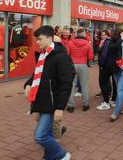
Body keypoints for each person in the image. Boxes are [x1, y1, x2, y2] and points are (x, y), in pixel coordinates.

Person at [24, 25, 75, 160]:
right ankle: (49, 156)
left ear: (49, 38)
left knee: (40, 136)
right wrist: (28, 84)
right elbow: (36, 75)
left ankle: (62, 155)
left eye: (39, 39)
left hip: (51, 104)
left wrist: (59, 108)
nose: (37, 42)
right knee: (47, 133)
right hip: (41, 100)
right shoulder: (43, 55)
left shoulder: (61, 57)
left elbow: (66, 84)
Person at [66, 28, 94, 112]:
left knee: (71, 86)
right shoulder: (88, 44)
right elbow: (91, 57)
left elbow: (67, 55)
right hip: (83, 65)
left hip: (72, 65)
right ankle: (85, 104)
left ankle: (71, 106)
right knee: (84, 86)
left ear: (76, 34)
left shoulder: (70, 43)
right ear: (83, 35)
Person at [97, 30, 116, 110]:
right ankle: (110, 99)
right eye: (101, 35)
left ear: (108, 35)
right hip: (109, 65)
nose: (102, 36)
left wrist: (101, 65)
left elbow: (104, 55)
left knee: (103, 82)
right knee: (109, 82)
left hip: (105, 66)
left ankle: (106, 102)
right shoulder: (104, 42)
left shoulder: (106, 42)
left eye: (104, 35)